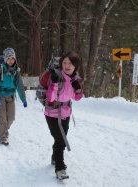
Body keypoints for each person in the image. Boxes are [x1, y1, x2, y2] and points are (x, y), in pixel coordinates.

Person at [44, 51, 84, 179]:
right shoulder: (56, 76)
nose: (66, 65)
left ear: (75, 66)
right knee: (61, 139)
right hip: (51, 113)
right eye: (64, 62)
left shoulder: (75, 78)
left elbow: (77, 98)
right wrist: (54, 84)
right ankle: (59, 168)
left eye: (70, 63)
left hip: (66, 113)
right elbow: (50, 98)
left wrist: (77, 88)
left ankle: (55, 157)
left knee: (60, 138)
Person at [0, 47, 27, 146]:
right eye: (8, 58)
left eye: (12, 58)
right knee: (3, 118)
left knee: (11, 118)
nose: (10, 61)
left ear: (15, 59)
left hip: (11, 96)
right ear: (5, 59)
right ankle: (3, 137)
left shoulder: (16, 72)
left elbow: (20, 86)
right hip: (1, 96)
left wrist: (23, 99)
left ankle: (4, 129)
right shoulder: (0, 70)